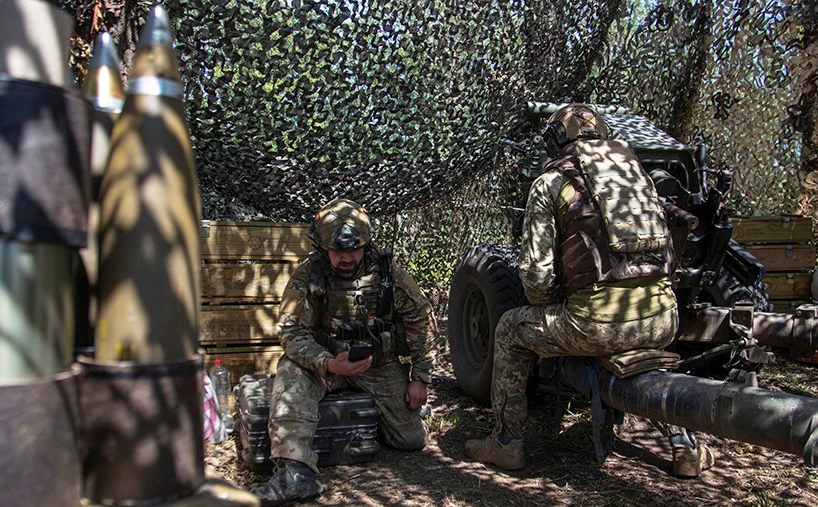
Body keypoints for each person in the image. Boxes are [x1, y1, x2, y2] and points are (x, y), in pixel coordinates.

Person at [463, 103, 714, 478]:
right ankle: (686, 448)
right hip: (662, 319)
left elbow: (535, 277)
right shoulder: (638, 177)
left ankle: (506, 442)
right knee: (646, 352)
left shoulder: (551, 183)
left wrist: (556, 305)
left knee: (509, 329)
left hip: (594, 326)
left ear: (555, 140)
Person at [251, 198, 434, 505]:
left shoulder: (388, 274)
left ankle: (382, 419)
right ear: (324, 249)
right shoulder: (309, 274)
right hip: (326, 363)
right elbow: (290, 331)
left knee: (411, 440)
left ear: (366, 244)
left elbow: (420, 319)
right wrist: (327, 363)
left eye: (354, 249)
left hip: (377, 365)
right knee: (290, 371)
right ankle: (295, 472)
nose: (347, 258)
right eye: (338, 251)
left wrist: (420, 378)